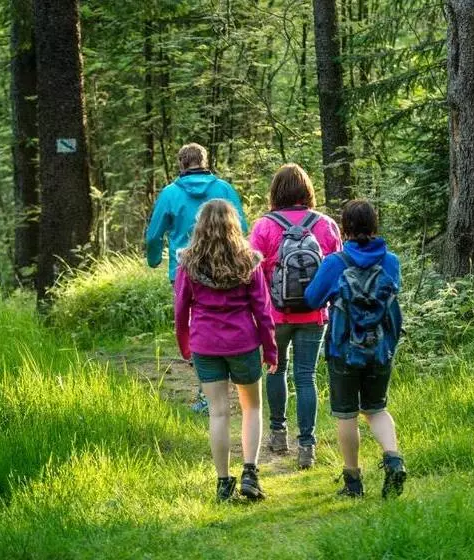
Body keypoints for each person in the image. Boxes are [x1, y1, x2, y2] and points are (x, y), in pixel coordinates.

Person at [174, 199, 277, 502]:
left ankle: (223, 483)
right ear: (235, 225)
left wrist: (186, 346)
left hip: (205, 345)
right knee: (252, 408)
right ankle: (250, 473)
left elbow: (181, 310)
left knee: (218, 413)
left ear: (200, 226)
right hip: (243, 343)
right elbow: (263, 310)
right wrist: (270, 350)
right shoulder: (249, 261)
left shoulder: (188, 264)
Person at [304, 199, 406, 498]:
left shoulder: (335, 263)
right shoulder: (391, 261)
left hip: (343, 349)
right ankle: (393, 458)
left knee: (346, 415)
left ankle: (353, 483)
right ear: (375, 224)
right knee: (376, 409)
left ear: (344, 228)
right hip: (380, 347)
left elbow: (312, 299)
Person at [249, 164, 342, 468]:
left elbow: (255, 274)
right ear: (307, 191)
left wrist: (258, 312)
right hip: (314, 314)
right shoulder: (326, 225)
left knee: (276, 370)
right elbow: (337, 270)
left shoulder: (263, 226)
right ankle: (307, 446)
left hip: (275, 314)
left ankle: (277, 433)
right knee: (306, 377)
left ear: (275, 192)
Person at [146, 143, 248, 414]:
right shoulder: (224, 189)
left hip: (185, 272)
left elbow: (153, 235)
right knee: (225, 321)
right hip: (226, 270)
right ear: (205, 160)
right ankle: (222, 387)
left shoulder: (169, 194)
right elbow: (244, 227)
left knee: (195, 328)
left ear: (181, 164)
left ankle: (208, 393)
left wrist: (154, 259)